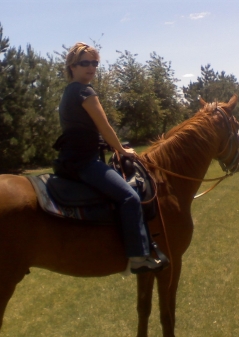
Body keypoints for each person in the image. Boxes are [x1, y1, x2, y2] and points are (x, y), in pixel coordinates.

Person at [54, 42, 167, 274]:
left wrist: (105, 144)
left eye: (95, 63)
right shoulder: (85, 91)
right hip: (85, 162)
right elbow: (104, 127)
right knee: (129, 198)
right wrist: (121, 150)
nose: (92, 67)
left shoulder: (68, 92)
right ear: (72, 66)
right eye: (85, 63)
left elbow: (81, 130)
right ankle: (138, 257)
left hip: (69, 160)